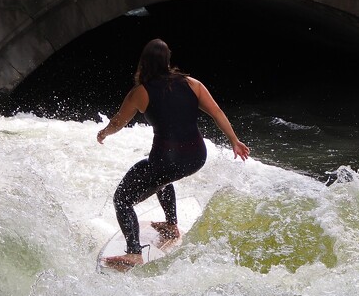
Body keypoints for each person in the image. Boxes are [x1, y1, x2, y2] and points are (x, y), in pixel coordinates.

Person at [97, 39, 250, 270]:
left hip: (166, 161)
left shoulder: (141, 93)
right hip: (196, 157)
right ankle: (171, 225)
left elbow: (119, 121)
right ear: (168, 60)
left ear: (144, 62)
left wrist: (104, 132)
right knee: (158, 174)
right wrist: (234, 140)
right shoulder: (192, 84)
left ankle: (134, 253)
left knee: (122, 199)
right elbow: (216, 111)